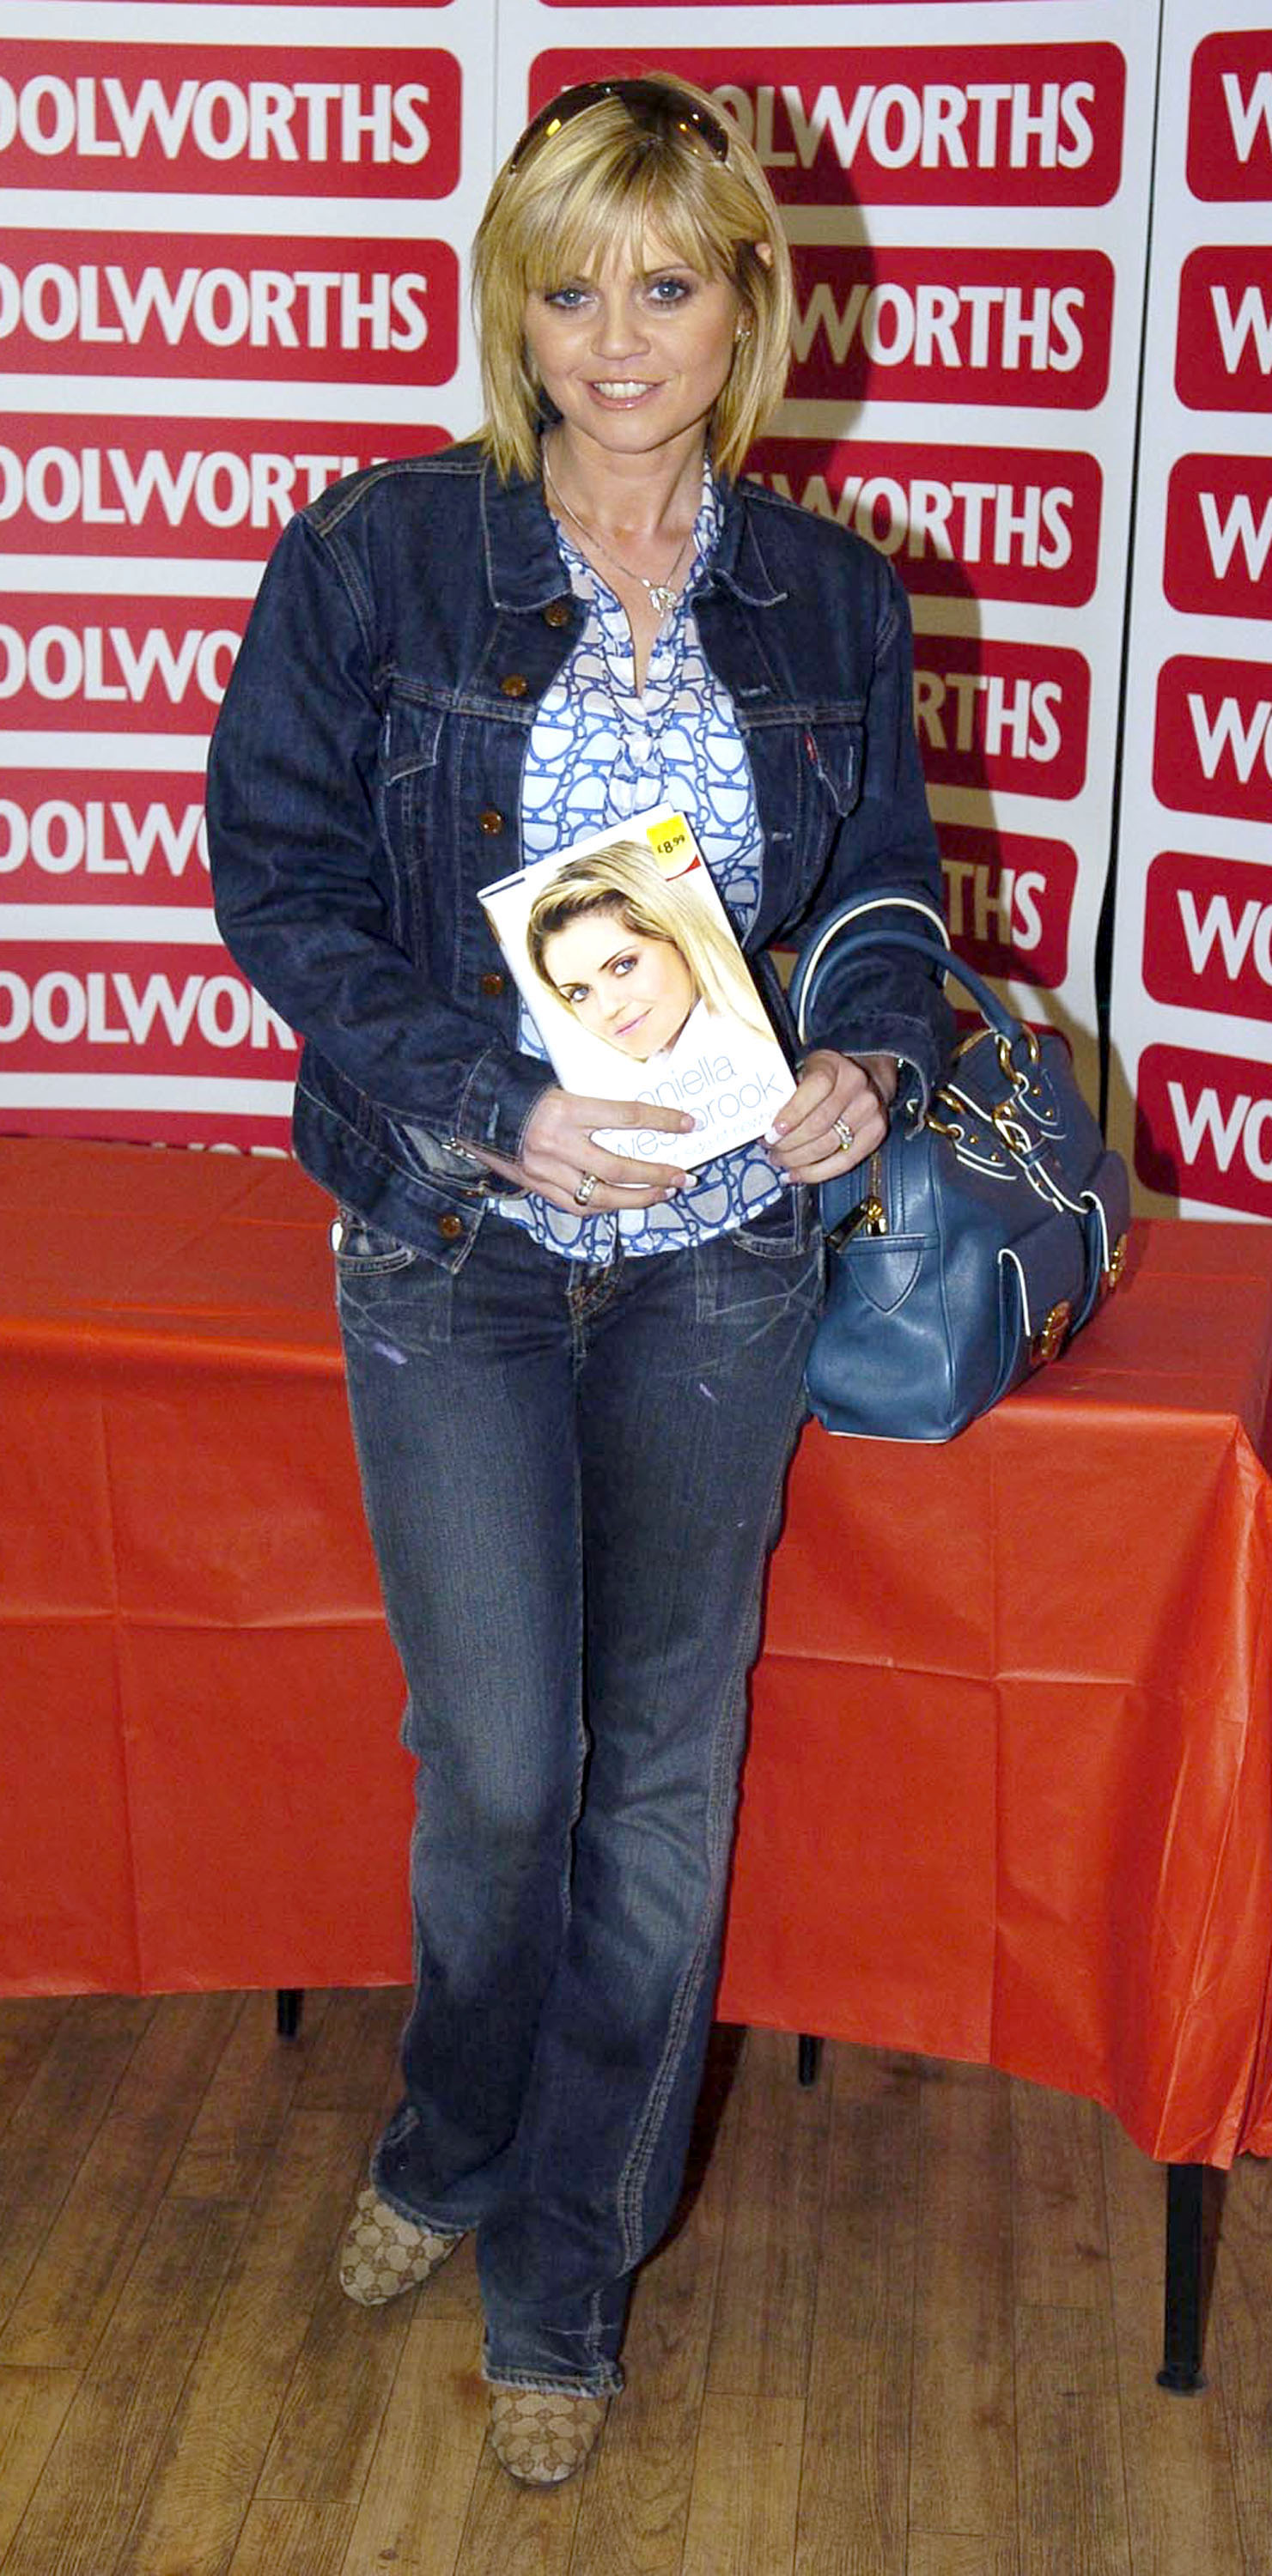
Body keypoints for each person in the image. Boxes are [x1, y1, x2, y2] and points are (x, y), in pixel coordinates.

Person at [206, 71, 952, 2488]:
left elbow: (891, 915)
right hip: (460, 1246)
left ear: (746, 300)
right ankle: (446, 2122)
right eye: (570, 282)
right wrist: (484, 1096)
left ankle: (564, 2270)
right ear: (508, 298)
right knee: (500, 1771)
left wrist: (855, 1058)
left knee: (655, 1790)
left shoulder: (828, 594)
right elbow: (278, 882)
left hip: (723, 1270)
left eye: (668, 280)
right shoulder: (380, 557)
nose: (617, 339)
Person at [526, 836, 776, 1062]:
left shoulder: (754, 1050)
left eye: (624, 966)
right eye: (580, 993)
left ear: (681, 940)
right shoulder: (653, 1076)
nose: (608, 1008)